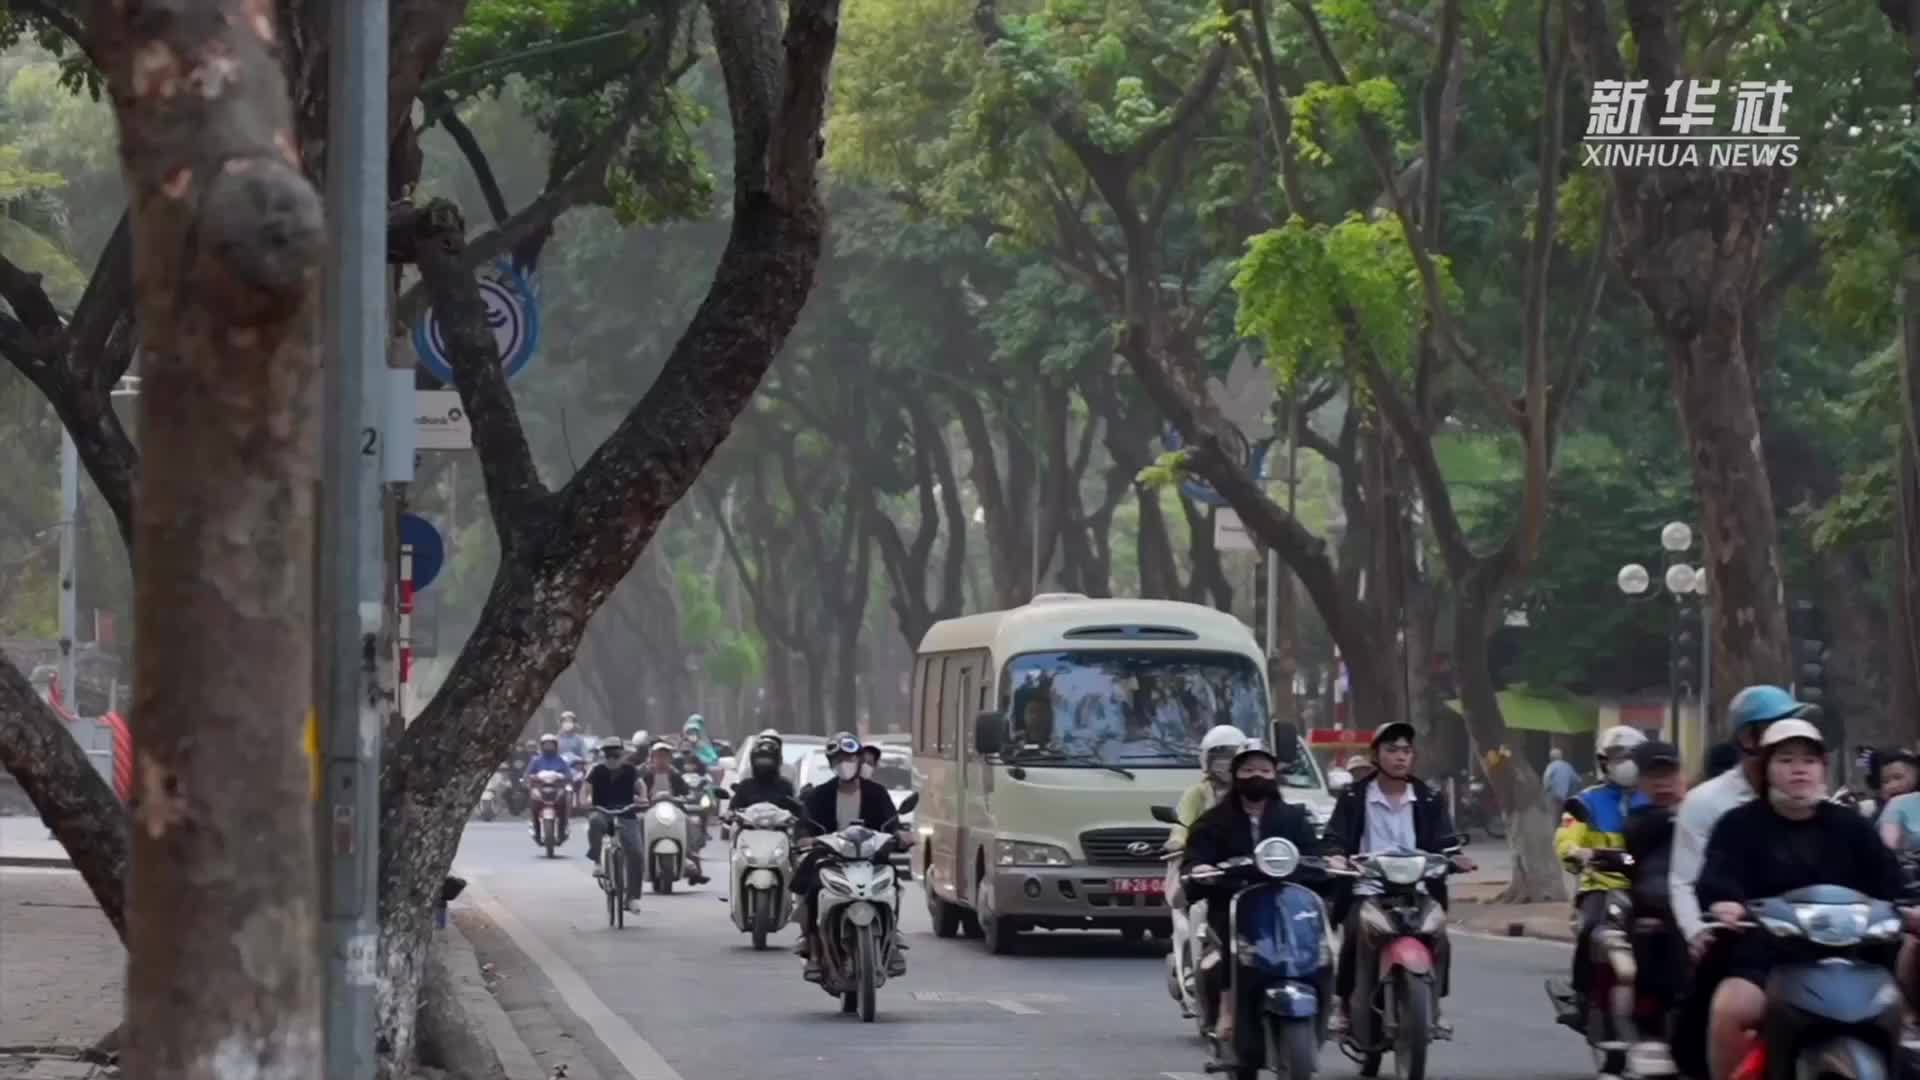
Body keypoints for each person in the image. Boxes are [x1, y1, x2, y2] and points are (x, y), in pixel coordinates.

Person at [1695, 719, 1906, 1080]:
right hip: (1766, 956)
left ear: (1823, 768)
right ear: (1766, 771)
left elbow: (1891, 881)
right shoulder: (1738, 824)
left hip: (1852, 956)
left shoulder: (1851, 825)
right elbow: (1716, 880)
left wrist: (1909, 908)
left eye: (1808, 760)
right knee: (1730, 1011)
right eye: (1786, 759)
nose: (1798, 769)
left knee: (1898, 1011)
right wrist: (1724, 904)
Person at [1667, 685, 1816, 1078]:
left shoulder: (1826, 809)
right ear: (1749, 740)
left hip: (1816, 941)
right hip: (1744, 940)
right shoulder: (1709, 805)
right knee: (1722, 1010)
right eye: (1776, 732)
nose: (1798, 766)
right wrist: (1700, 932)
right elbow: (1687, 881)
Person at [1323, 720, 1473, 1037]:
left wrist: (1456, 857)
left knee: (1439, 935)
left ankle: (1434, 1004)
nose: (1400, 757)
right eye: (1392, 750)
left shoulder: (1429, 797)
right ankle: (1345, 1005)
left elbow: (1445, 840)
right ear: (1376, 755)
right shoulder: (1354, 796)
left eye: (1406, 750)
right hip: (1367, 887)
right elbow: (1335, 837)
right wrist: (1336, 855)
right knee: (1353, 933)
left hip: (1416, 886)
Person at [1182, 741, 1326, 1044]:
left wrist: (1324, 866)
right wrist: (1201, 871)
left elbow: (1315, 855)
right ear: (1235, 776)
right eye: (1248, 770)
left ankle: (1329, 1005)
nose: (1256, 775)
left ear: (1275, 775)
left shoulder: (1294, 818)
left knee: (1322, 943)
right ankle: (1227, 1010)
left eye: (1264, 769)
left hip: (1287, 900)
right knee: (1227, 950)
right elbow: (1195, 860)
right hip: (1233, 901)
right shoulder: (1214, 821)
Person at [1552, 724, 1651, 1025]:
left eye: (1632, 755)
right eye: (1617, 756)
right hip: (1601, 886)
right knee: (1589, 930)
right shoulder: (1586, 801)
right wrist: (1575, 851)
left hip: (1646, 886)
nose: (1625, 763)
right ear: (1603, 762)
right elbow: (1566, 837)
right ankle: (1580, 996)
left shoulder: (1654, 799)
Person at [794, 733, 909, 979]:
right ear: (831, 763)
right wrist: (805, 837)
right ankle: (812, 945)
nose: (844, 763)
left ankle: (893, 938)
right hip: (830, 857)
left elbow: (892, 822)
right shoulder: (820, 794)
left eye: (849, 757)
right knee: (811, 886)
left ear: (858, 760)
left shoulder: (876, 793)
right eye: (838, 759)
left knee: (893, 880)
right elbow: (805, 824)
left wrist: (900, 835)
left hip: (870, 857)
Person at [1619, 740, 1688, 1076]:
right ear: (1641, 781)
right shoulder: (1637, 821)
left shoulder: (1704, 812)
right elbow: (1631, 853)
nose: (1663, 783)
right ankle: (1649, 1031)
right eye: (1654, 775)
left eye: (1669, 773)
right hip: (1654, 909)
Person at [583, 736, 643, 912]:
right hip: (602, 811)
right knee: (594, 821)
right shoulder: (597, 770)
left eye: (616, 754)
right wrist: (584, 800)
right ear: (604, 755)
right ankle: (597, 862)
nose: (612, 758)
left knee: (637, 854)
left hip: (627, 813)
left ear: (622, 754)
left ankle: (632, 897)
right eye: (609, 755)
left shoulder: (630, 770)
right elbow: (586, 787)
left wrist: (644, 797)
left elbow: (640, 786)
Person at [523, 733, 574, 834]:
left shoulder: (561, 760)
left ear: (555, 746)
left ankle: (565, 824)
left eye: (551, 744)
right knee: (533, 804)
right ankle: (534, 824)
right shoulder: (536, 760)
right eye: (546, 745)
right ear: (541, 746)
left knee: (566, 800)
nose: (548, 747)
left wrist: (562, 777)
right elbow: (528, 774)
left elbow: (568, 774)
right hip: (539, 788)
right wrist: (532, 777)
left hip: (557, 788)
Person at [728, 736, 795, 811]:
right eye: (760, 761)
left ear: (777, 762)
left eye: (767, 761)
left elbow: (794, 812)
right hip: (748, 822)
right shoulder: (745, 786)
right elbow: (732, 811)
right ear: (753, 762)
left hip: (778, 823)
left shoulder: (785, 786)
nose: (763, 765)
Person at [1876, 750, 1920, 850]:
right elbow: (1887, 850)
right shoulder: (1890, 809)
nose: (1892, 786)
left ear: (1916, 776)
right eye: (1885, 781)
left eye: (1898, 777)